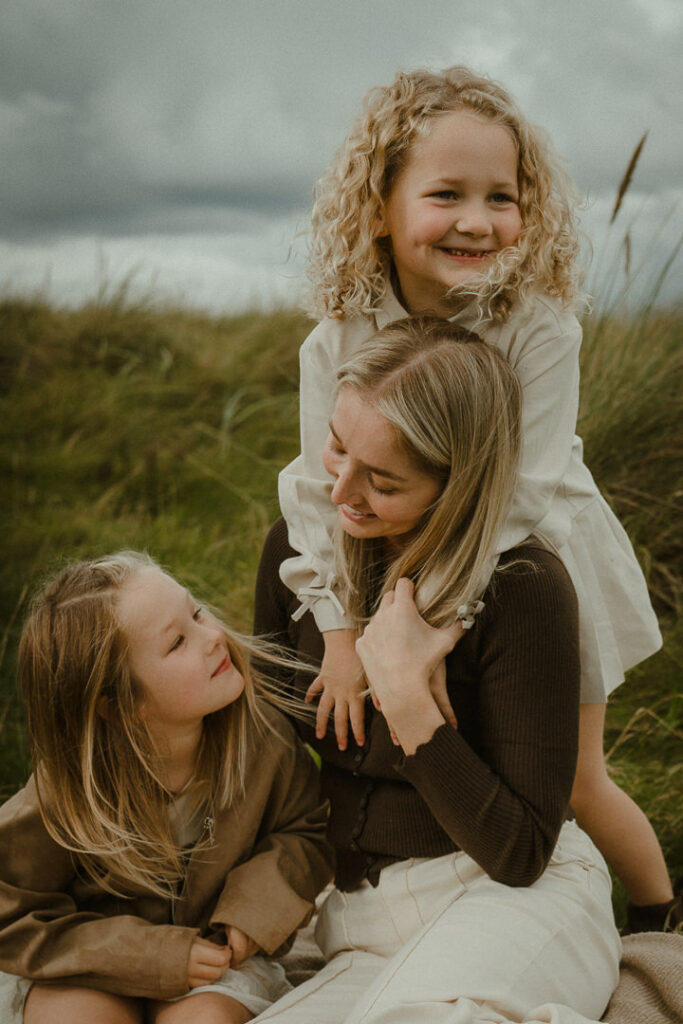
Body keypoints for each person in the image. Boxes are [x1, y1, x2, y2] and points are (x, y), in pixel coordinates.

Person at [277, 64, 679, 930]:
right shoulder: (340, 333)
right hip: (382, 562)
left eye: (502, 196)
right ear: (378, 206)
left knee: (573, 775)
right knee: (465, 758)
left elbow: (521, 494)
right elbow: (318, 487)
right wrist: (347, 640)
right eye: (445, 193)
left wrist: (425, 628)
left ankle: (655, 918)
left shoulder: (536, 325)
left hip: (527, 560)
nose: (476, 220)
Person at [254, 318, 621, 1024]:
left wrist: (402, 695)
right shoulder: (296, 556)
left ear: (457, 482)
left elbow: (519, 851)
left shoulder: (523, 587)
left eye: (382, 481)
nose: (341, 493)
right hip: (350, 923)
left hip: (505, 896)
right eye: (336, 449)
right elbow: (266, 755)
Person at [0, 552, 333, 1024]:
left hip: (217, 961)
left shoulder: (263, 738)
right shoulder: (71, 789)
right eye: (178, 642)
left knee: (204, 1020)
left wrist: (250, 917)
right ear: (119, 706)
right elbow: (12, 912)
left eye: (196, 613)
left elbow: (305, 831)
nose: (215, 636)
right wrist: (149, 956)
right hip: (92, 965)